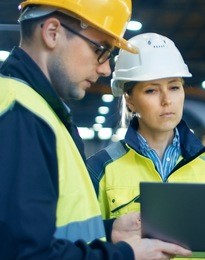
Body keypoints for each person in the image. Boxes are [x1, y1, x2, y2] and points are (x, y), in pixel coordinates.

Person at [0, 0, 191, 259]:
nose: (105, 69)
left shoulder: (36, 110)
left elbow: (43, 232)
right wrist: (124, 255)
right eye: (100, 50)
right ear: (52, 33)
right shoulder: (20, 117)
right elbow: (27, 253)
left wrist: (109, 230)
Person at [86, 32, 205, 220]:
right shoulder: (100, 169)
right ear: (130, 100)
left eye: (174, 87)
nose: (167, 100)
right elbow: (86, 243)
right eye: (151, 90)